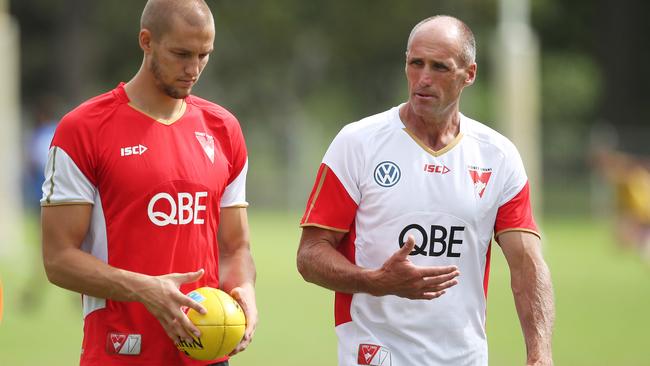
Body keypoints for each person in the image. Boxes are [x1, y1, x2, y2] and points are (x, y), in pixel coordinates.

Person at [297, 15, 554, 366]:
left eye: (440, 67)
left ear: (470, 74)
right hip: (376, 354)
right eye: (415, 63)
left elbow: (527, 264)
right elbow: (310, 255)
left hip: (464, 358)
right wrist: (376, 281)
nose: (424, 79)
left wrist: (540, 354)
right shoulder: (357, 143)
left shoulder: (498, 156)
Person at [40, 1, 257, 365]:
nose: (194, 69)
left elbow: (235, 247)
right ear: (146, 41)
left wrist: (244, 289)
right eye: (181, 54)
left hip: (207, 354)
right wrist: (146, 289)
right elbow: (58, 259)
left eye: (204, 55)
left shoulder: (224, 130)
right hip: (119, 352)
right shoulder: (84, 130)